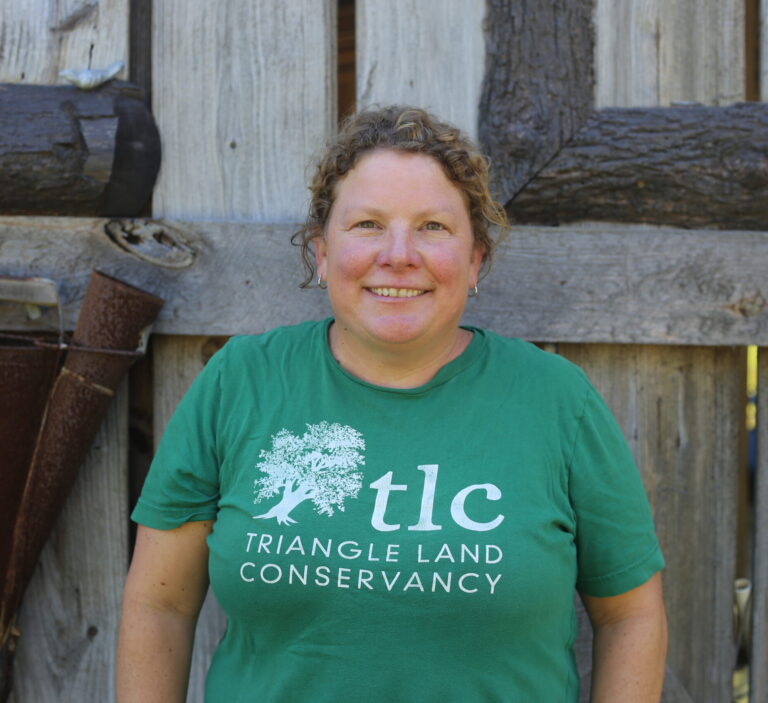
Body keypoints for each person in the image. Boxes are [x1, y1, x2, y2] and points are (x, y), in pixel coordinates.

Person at [116, 106, 667, 702]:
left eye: (432, 226)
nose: (398, 254)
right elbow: (159, 604)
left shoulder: (558, 402)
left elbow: (631, 616)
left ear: (476, 258)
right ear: (322, 252)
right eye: (368, 225)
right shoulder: (239, 383)